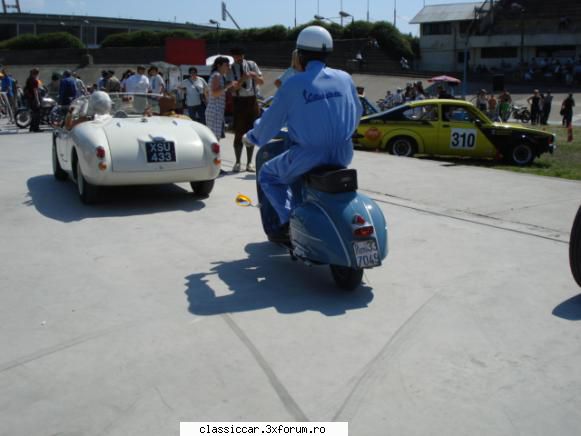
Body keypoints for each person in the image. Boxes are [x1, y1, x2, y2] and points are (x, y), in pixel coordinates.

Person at [244, 26, 362, 242]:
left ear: (300, 54)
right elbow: (357, 113)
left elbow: (270, 121)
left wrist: (252, 137)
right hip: (343, 153)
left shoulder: (294, 84)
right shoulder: (345, 78)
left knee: (269, 175)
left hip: (308, 155)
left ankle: (291, 224)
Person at [228, 47, 264, 172]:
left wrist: (254, 77)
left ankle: (249, 163)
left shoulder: (252, 64)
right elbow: (232, 89)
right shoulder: (230, 68)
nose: (237, 58)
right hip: (239, 101)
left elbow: (262, 81)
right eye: (235, 56)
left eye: (239, 56)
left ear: (243, 55)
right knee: (238, 132)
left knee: (251, 132)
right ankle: (237, 162)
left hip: (252, 100)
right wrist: (243, 78)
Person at [205, 57, 238, 141]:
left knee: (214, 137)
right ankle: (213, 154)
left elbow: (208, 92)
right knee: (214, 138)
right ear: (219, 65)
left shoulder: (219, 75)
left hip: (215, 109)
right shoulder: (217, 75)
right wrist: (228, 86)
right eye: (226, 65)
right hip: (215, 110)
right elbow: (214, 93)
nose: (229, 67)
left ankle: (213, 154)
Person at [24, 68, 41, 132]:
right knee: (37, 114)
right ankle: (36, 128)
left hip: (30, 99)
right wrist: (38, 101)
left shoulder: (28, 79)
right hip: (34, 99)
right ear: (36, 74)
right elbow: (35, 91)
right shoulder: (34, 80)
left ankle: (31, 128)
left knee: (33, 113)